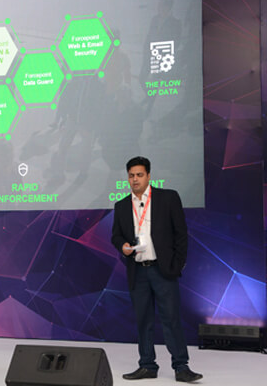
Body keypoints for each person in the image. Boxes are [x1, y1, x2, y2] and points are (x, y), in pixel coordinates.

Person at [111, 157, 202, 383]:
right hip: (138, 271)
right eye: (131, 176)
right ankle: (147, 365)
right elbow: (116, 235)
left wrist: (177, 264)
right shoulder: (121, 205)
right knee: (143, 320)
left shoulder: (168, 198)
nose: (135, 179)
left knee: (171, 319)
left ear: (149, 176)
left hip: (163, 270)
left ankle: (181, 367)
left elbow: (181, 233)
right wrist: (122, 246)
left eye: (139, 175)